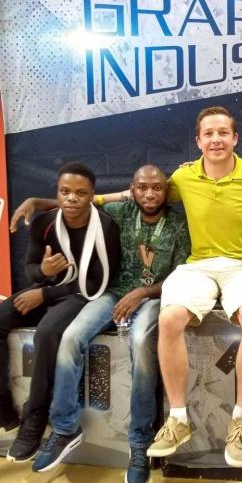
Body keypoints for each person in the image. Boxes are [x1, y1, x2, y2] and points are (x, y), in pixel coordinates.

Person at [10, 165, 190, 483]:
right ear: (132, 190)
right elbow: (77, 201)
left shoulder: (179, 224)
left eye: (157, 187)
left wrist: (143, 292)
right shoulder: (120, 212)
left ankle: (139, 442)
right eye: (142, 187)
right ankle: (65, 427)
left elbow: (181, 276)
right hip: (113, 293)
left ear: (167, 191)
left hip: (154, 297)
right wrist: (37, 202)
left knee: (140, 345)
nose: (149, 194)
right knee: (70, 338)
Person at [145, 106, 242, 468]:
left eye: (223, 133)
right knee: (169, 318)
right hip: (199, 266)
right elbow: (145, 193)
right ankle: (178, 419)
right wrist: (96, 200)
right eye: (209, 133)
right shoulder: (183, 177)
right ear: (198, 141)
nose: (216, 139)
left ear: (235, 138)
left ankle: (239, 420)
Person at [0, 162, 120, 462]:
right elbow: (30, 268)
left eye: (80, 193)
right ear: (57, 193)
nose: (71, 198)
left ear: (92, 195)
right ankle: (4, 409)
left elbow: (96, 283)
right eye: (65, 191)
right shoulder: (44, 223)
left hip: (80, 295)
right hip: (48, 288)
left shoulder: (105, 226)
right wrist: (42, 272)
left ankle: (35, 417)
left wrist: (44, 293)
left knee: (47, 333)